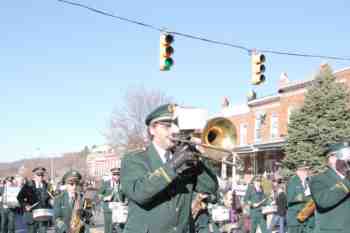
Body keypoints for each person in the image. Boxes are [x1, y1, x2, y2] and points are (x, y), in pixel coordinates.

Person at [120, 103, 219, 233]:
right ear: (152, 130)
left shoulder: (186, 158)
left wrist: (198, 157)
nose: (173, 131)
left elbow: (210, 187)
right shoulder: (134, 159)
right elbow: (139, 193)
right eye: (167, 126)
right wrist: (173, 165)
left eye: (176, 126)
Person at [309, 142, 350, 233]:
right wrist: (347, 181)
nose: (347, 159)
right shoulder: (319, 179)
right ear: (331, 159)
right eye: (344, 155)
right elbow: (323, 201)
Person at [17, 167, 53, 233]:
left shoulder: (48, 185)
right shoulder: (28, 185)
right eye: (38, 175)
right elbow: (19, 197)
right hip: (31, 215)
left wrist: (51, 201)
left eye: (42, 175)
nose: (40, 177)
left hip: (43, 215)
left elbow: (51, 198)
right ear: (34, 175)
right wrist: (26, 205)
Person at [286, 163, 314, 233]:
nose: (306, 172)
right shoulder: (292, 182)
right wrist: (304, 195)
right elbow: (289, 199)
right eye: (304, 170)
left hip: (307, 216)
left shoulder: (309, 182)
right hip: (295, 217)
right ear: (298, 172)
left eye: (306, 170)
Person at [98, 167, 126, 233]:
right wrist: (105, 198)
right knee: (108, 228)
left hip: (119, 209)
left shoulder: (123, 184)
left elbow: (126, 196)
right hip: (108, 210)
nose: (116, 176)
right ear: (112, 175)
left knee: (120, 228)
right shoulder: (106, 183)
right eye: (114, 174)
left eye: (118, 174)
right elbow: (99, 195)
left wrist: (125, 202)